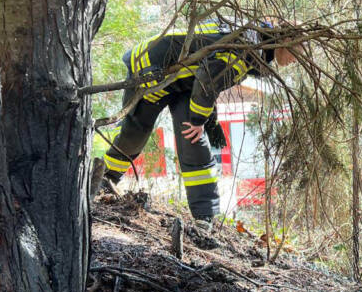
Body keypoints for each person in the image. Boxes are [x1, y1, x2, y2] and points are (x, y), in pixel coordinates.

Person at [93, 19, 296, 221]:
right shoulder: (243, 48)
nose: (296, 59)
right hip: (152, 72)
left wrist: (207, 119)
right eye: (297, 50)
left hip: (183, 83)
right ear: (284, 39)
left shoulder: (249, 44)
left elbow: (209, 77)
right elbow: (207, 79)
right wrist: (199, 120)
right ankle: (103, 182)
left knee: (192, 141)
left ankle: (205, 216)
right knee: (135, 134)